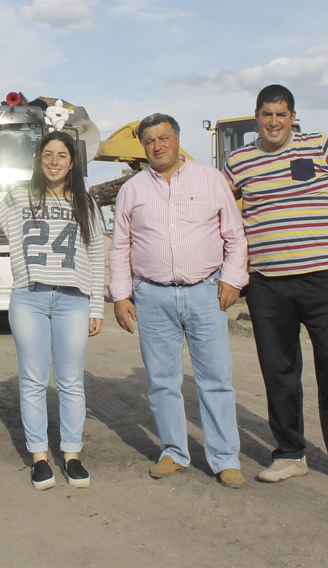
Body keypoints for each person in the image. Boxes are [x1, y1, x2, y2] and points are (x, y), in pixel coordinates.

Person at [223, 84, 328, 492]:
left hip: (322, 278)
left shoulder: (320, 146)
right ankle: (289, 454)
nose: (274, 122)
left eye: (282, 114)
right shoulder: (239, 161)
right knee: (279, 371)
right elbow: (219, 206)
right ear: (256, 116)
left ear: (293, 116)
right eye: (267, 114)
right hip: (266, 283)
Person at [108, 113, 249, 489]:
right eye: (150, 141)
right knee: (162, 381)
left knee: (216, 379)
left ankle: (225, 459)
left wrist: (233, 280)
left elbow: (235, 235)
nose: (158, 146)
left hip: (205, 291)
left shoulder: (210, 179)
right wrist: (121, 295)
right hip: (151, 296)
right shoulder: (132, 189)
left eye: (164, 138)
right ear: (143, 146)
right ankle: (173, 451)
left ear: (177, 138)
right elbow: (120, 245)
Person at [0, 131, 104, 491]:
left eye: (61, 155)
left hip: (72, 301)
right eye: (47, 154)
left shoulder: (86, 203)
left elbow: (96, 256)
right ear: (37, 159)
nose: (53, 161)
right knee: (33, 380)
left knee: (70, 381)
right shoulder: (19, 197)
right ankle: (39, 457)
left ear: (72, 162)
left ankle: (72, 454)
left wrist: (97, 306)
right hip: (29, 299)